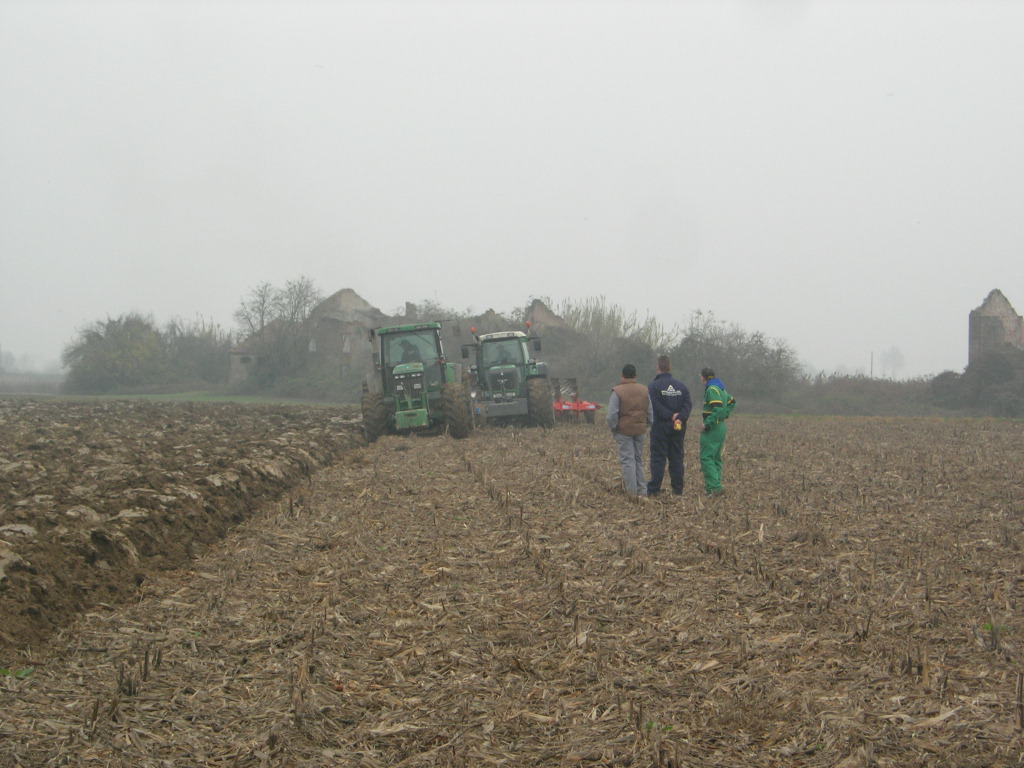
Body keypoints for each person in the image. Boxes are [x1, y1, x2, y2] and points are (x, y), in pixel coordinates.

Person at [647, 355, 692, 496]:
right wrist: (680, 418)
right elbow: (687, 405)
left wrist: (669, 416)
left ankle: (654, 489)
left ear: (658, 368)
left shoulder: (653, 387)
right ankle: (678, 490)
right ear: (670, 367)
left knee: (658, 458)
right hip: (678, 427)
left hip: (660, 427)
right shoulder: (682, 387)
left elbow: (654, 405)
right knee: (676, 457)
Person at [607, 363, 653, 497]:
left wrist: (614, 428)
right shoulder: (644, 390)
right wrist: (646, 425)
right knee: (639, 460)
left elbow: (612, 415)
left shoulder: (617, 391)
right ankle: (642, 491)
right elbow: (650, 412)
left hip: (623, 430)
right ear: (635, 376)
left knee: (628, 461)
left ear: (622, 375)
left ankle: (632, 493)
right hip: (640, 429)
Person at [699, 366, 736, 497]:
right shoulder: (721, 389)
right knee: (715, 458)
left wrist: (708, 424)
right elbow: (732, 402)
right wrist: (725, 415)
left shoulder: (711, 389)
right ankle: (716, 486)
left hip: (713, 428)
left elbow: (718, 409)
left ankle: (714, 487)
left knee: (706, 457)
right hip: (721, 427)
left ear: (703, 377)